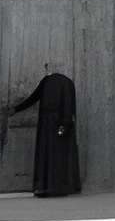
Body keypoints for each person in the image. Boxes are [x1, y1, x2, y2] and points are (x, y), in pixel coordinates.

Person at [11, 67, 82, 198]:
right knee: (57, 156)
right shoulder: (65, 82)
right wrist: (64, 125)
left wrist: (15, 109)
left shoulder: (48, 81)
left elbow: (33, 98)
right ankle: (57, 187)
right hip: (57, 124)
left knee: (46, 155)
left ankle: (45, 186)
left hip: (47, 125)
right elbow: (68, 106)